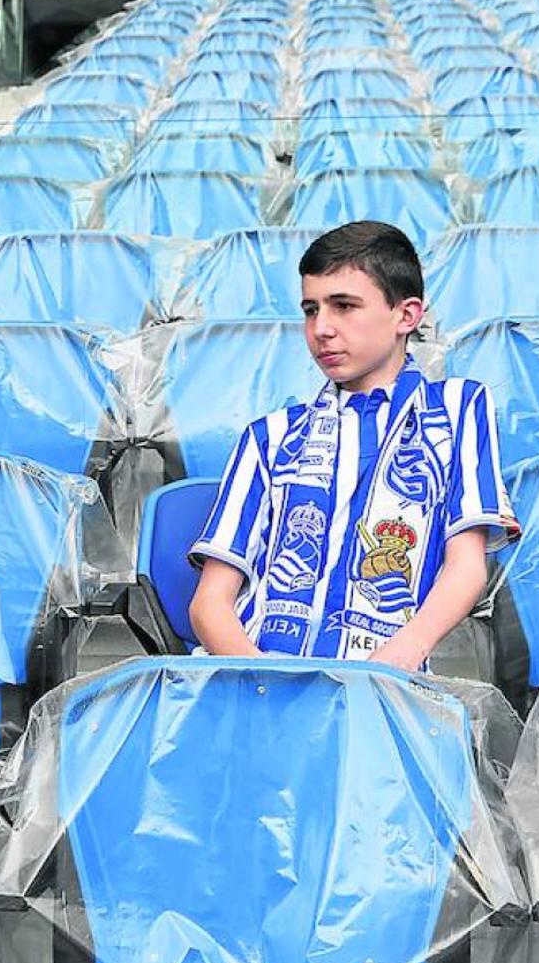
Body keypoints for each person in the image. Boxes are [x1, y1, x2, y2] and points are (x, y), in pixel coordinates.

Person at [188, 221, 519, 670]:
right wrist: (265, 681)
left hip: (385, 681)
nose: (321, 328)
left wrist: (390, 665)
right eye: (310, 310)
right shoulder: (269, 436)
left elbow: (467, 568)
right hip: (256, 677)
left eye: (344, 306)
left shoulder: (459, 409)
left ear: (407, 315)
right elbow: (209, 604)